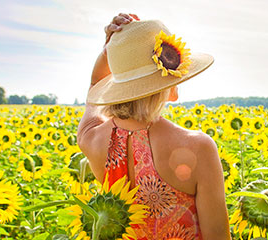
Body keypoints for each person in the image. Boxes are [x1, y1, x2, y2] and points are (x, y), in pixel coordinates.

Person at [77, 13, 231, 239]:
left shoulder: (91, 138)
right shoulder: (198, 147)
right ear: (168, 78)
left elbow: (94, 90)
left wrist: (109, 52)